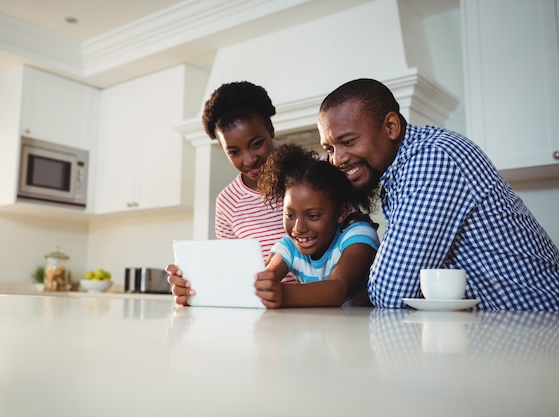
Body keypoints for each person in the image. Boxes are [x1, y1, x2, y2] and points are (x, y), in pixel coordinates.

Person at [317, 78, 559, 311]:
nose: (337, 159)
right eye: (329, 148)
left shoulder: (432, 158)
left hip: (543, 325)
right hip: (508, 328)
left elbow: (390, 292)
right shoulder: (400, 172)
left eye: (348, 141)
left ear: (391, 127)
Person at [167, 81, 292, 306]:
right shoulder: (227, 202)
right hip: (263, 314)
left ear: (270, 130)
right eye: (234, 152)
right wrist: (194, 289)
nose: (249, 159)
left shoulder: (311, 174)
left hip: (321, 306)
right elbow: (233, 276)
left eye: (256, 144)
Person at [254, 144, 379, 308]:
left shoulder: (358, 235)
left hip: (365, 329)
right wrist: (264, 284)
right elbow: (266, 277)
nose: (298, 228)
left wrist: (283, 294)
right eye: (290, 215)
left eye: (312, 216)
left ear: (341, 212)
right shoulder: (289, 247)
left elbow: (337, 289)